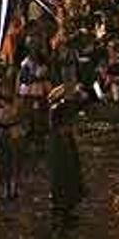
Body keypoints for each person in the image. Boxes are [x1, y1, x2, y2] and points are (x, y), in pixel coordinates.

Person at [47, 99, 84, 231]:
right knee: (62, 188)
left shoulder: (66, 138)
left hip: (68, 170)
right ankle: (61, 216)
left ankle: (66, 213)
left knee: (68, 188)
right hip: (62, 174)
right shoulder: (57, 141)